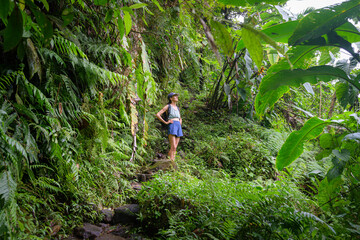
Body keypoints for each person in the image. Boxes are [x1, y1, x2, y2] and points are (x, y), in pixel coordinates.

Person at [156, 92, 183, 161]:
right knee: (173, 146)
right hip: (172, 124)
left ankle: (171, 160)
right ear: (171, 98)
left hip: (178, 125)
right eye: (174, 96)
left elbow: (180, 117)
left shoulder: (177, 108)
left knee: (175, 146)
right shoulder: (168, 106)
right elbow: (158, 114)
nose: (176, 97)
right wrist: (165, 122)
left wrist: (180, 122)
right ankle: (171, 161)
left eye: (177, 96)